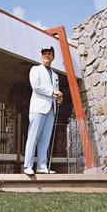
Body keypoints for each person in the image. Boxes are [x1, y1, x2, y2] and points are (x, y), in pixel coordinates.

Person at [24, 46, 63, 175]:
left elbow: (55, 93)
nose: (47, 56)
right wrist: (53, 92)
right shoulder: (35, 69)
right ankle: (27, 166)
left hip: (51, 109)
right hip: (38, 108)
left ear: (53, 56)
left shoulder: (56, 75)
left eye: (49, 54)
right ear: (41, 56)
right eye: (44, 54)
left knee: (45, 139)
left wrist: (59, 98)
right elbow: (36, 87)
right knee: (33, 137)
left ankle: (41, 166)